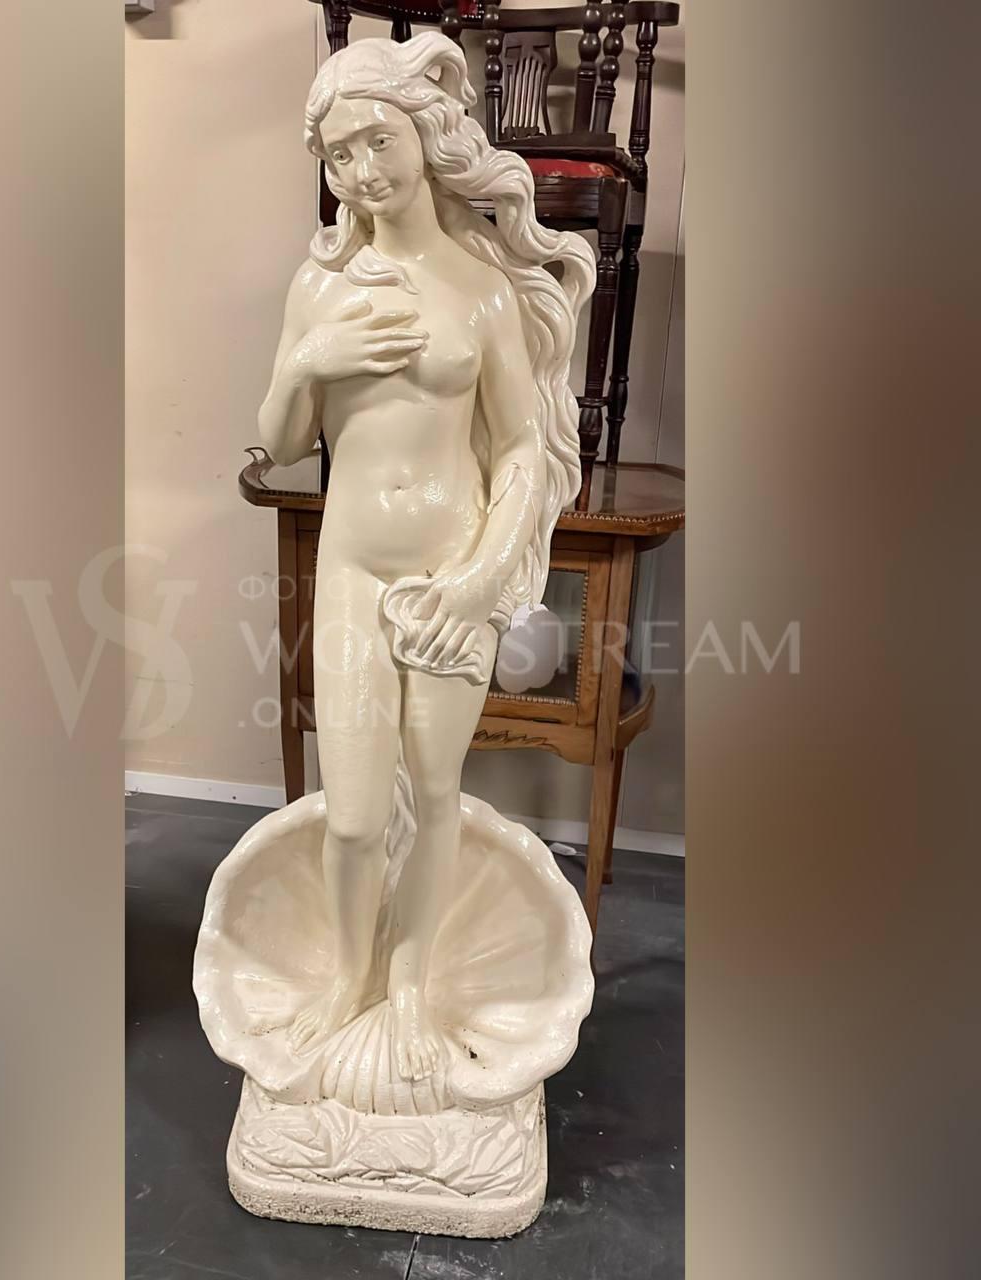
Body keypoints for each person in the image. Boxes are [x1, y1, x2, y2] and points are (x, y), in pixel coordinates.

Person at [257, 34, 592, 1082]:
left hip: (451, 573)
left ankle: (408, 982)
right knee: (356, 814)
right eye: (338, 153)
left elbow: (521, 449)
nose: (361, 170)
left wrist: (482, 578)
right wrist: (309, 362)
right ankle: (345, 977)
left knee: (435, 785)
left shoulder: (482, 287)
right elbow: (277, 441)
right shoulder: (320, 287)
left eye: (377, 141)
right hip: (354, 569)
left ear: (424, 135)